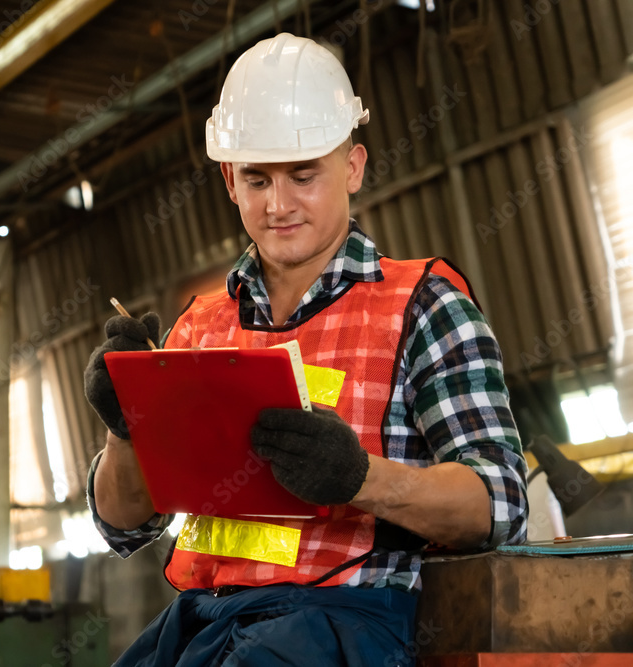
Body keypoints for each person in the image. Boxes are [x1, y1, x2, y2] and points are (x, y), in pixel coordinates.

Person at [83, 33, 527, 666]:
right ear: (229, 180)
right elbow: (124, 524)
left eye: (303, 175)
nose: (279, 204)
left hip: (347, 626)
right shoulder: (200, 326)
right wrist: (124, 430)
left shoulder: (423, 306)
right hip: (202, 625)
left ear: (353, 166)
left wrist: (360, 479)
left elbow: (501, 503)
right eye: (257, 179)